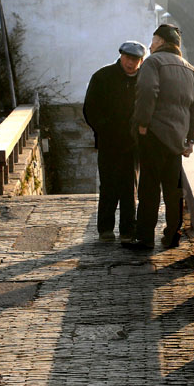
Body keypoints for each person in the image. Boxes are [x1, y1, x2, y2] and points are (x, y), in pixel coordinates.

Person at [133, 24, 194, 249]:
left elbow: (147, 92)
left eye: (153, 40)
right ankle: (172, 235)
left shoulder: (153, 62)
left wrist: (143, 123)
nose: (151, 44)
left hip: (154, 135)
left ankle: (145, 238)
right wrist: (191, 139)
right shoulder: (190, 69)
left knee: (149, 189)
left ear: (162, 42)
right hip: (176, 140)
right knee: (174, 192)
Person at [83, 40, 147, 243]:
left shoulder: (144, 80)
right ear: (121, 56)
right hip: (109, 141)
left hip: (132, 143)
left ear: (141, 60)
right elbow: (90, 109)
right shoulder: (103, 77)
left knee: (130, 187)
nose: (131, 63)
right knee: (108, 185)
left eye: (135, 60)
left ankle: (128, 230)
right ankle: (105, 230)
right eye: (128, 58)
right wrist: (104, 129)